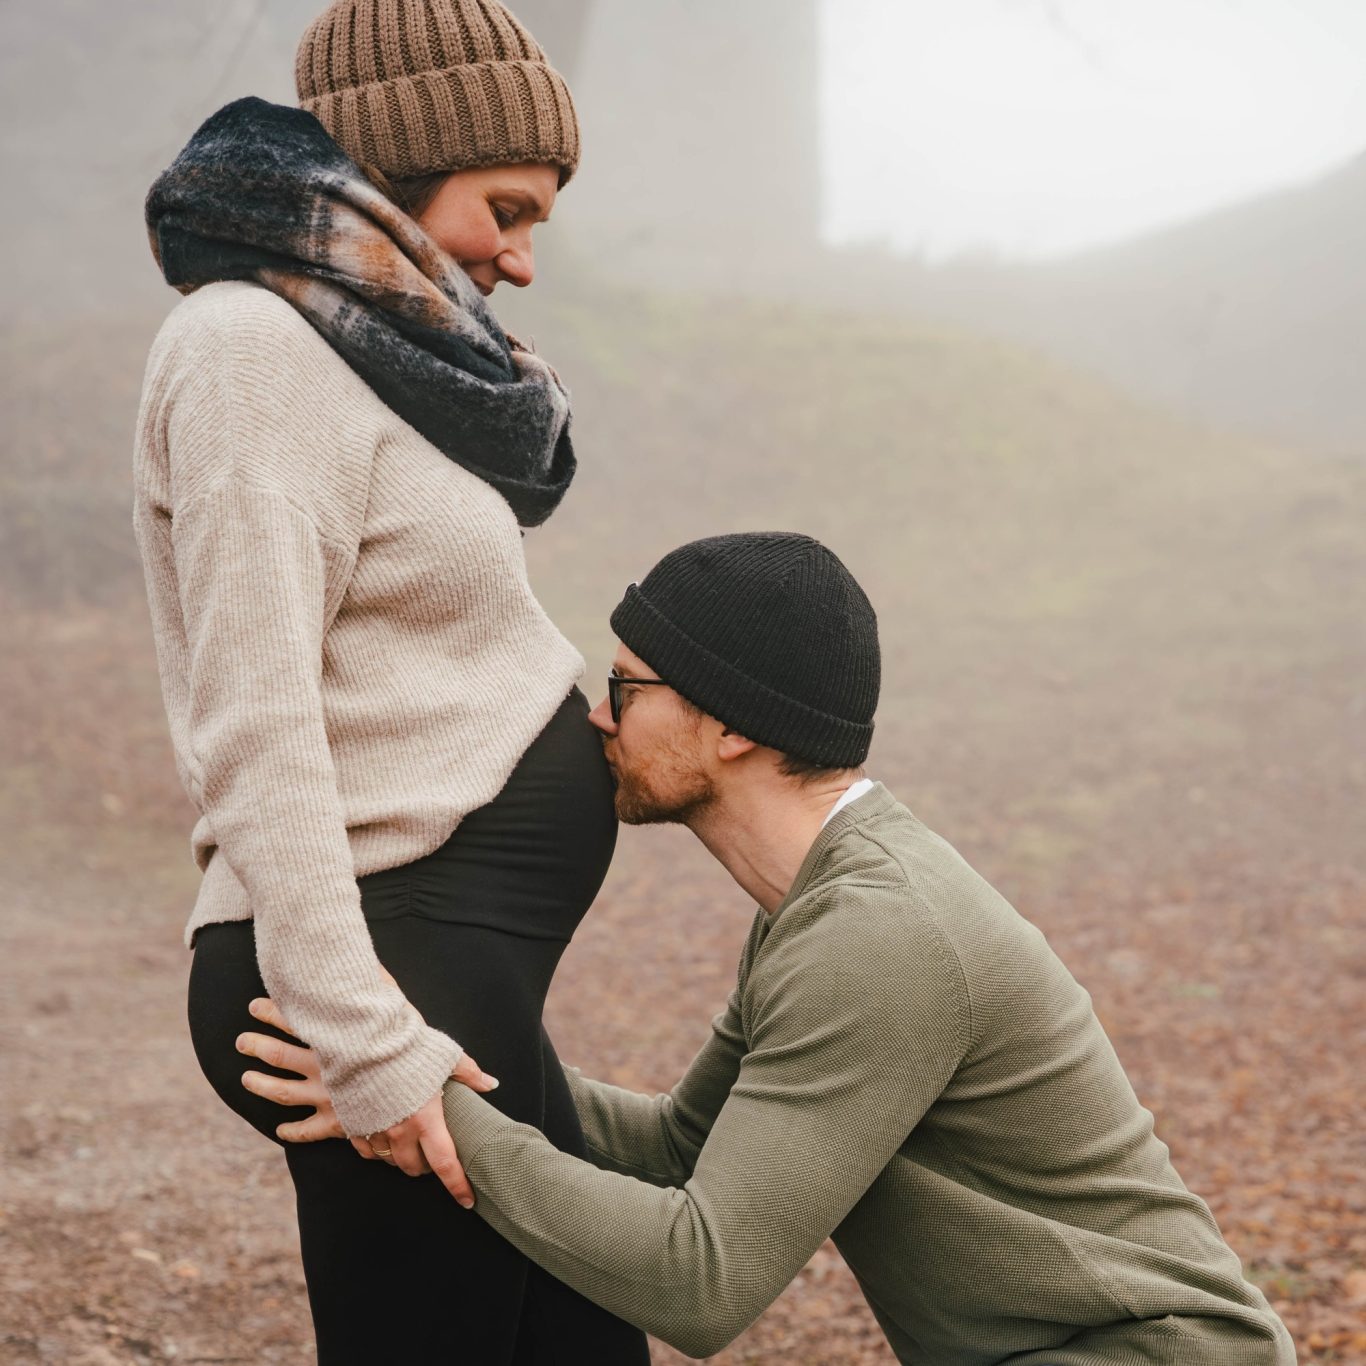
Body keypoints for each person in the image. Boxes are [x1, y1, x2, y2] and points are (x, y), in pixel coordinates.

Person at [239, 532, 1297, 1365]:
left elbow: (698, 1283)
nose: (599, 723)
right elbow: (678, 1153)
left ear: (730, 724)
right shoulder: (819, 906)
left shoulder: (876, 937)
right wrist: (420, 1059)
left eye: (626, 688)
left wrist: (441, 1115)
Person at [133, 1, 649, 1361]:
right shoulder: (250, 350)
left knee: (585, 1336)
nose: (524, 261)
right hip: (375, 965)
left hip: (443, 955)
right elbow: (255, 718)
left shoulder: (354, 352)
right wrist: (358, 1034)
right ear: (402, 160)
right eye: (508, 206)